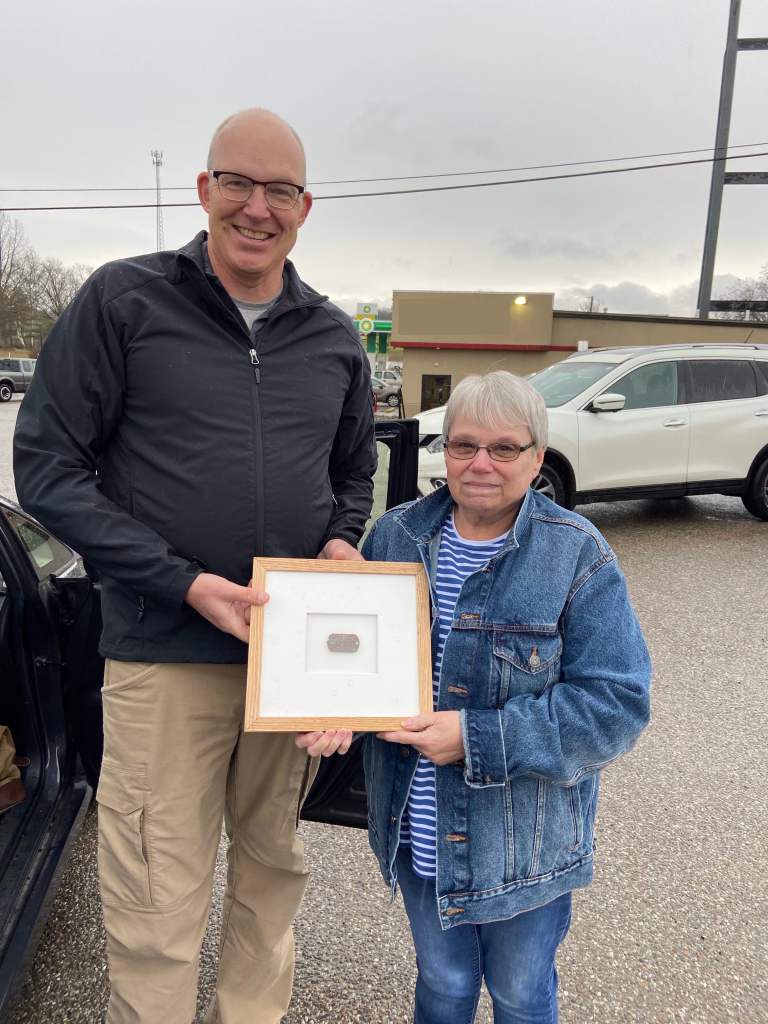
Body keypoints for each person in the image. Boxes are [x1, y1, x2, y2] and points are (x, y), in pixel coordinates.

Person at [13, 108, 372, 1024]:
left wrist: (341, 541)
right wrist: (180, 581)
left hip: (288, 665)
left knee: (272, 872)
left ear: (305, 207)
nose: (258, 208)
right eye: (238, 184)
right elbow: (49, 468)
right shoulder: (124, 301)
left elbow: (352, 472)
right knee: (154, 891)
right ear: (205, 189)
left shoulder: (333, 337)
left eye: (280, 191)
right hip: (163, 653)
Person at [359, 371, 651, 1024]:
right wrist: (333, 719)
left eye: (504, 448)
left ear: (537, 457)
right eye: (464, 445)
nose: (480, 464)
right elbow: (361, 669)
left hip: (522, 844)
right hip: (419, 828)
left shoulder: (577, 556)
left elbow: (617, 705)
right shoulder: (395, 537)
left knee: (520, 994)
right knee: (443, 984)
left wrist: (476, 738)